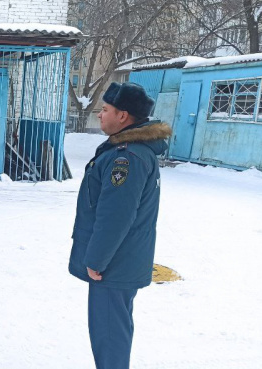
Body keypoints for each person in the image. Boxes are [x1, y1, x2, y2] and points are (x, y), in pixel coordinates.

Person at [68, 82, 172, 369]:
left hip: (113, 264)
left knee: (110, 334)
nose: (100, 115)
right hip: (119, 260)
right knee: (111, 330)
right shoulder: (130, 151)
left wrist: (97, 260)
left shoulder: (127, 157)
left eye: (105, 109)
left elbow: (116, 216)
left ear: (123, 116)